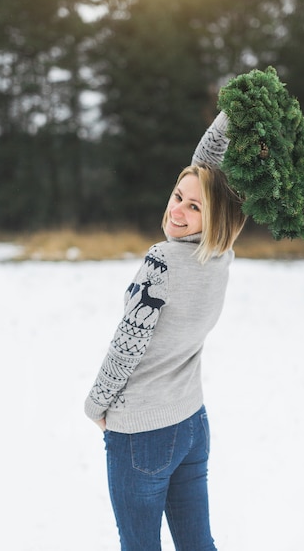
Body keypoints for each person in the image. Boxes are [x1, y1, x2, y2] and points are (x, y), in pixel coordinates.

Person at [85, 110, 246, 551]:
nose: (177, 209)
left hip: (142, 433)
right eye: (178, 195)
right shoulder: (220, 258)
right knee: (198, 544)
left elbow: (127, 345)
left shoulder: (163, 260)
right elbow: (207, 172)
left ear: (215, 217)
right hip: (192, 423)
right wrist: (238, 111)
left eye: (194, 207)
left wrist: (96, 404)